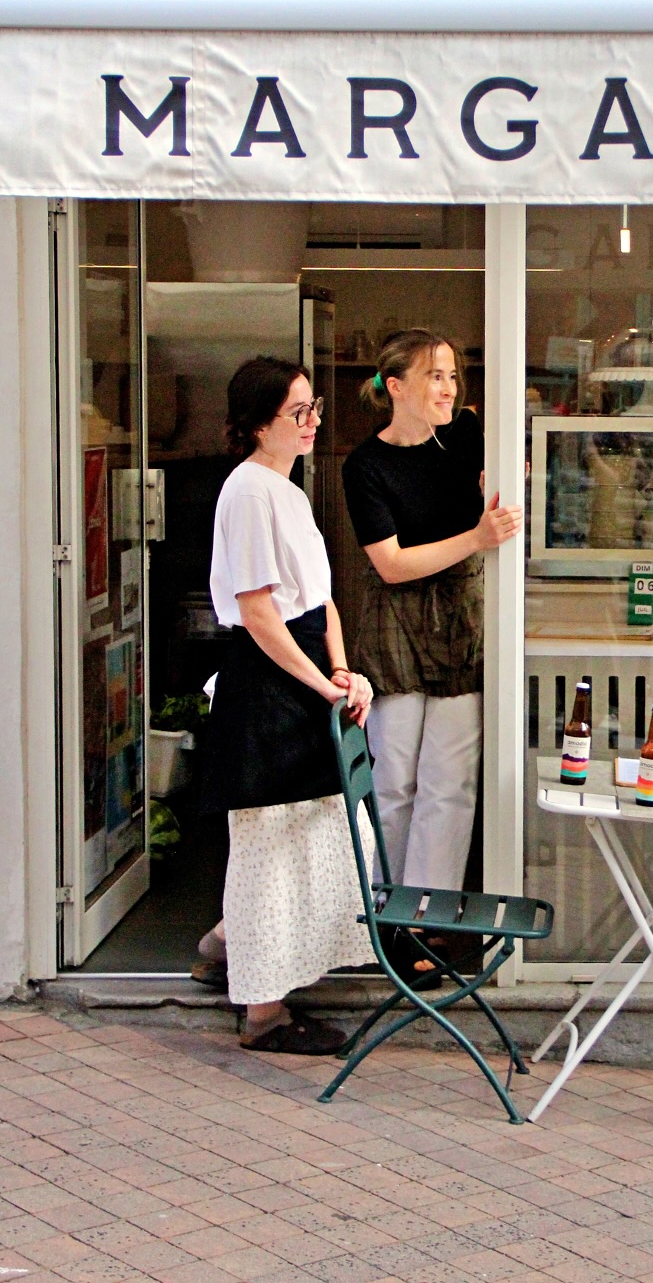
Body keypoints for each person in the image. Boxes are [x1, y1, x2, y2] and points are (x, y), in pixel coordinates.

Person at [195, 356, 377, 1053]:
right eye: (296, 413)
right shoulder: (248, 493)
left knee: (324, 833)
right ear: (255, 424)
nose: (311, 423)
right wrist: (322, 683)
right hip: (268, 683)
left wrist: (341, 669)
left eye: (314, 409)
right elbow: (258, 613)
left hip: (300, 675)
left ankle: (224, 942)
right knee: (271, 849)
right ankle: (264, 1014)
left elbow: (322, 599)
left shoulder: (288, 490)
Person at [340, 330, 522, 975]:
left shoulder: (470, 435)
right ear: (396, 387)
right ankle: (375, 921)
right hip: (397, 620)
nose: (448, 388)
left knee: (451, 784)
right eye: (433, 376)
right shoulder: (364, 464)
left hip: (463, 617)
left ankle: (426, 922)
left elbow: (514, 481)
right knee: (393, 783)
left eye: (451, 374)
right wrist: (476, 536)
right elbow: (389, 565)